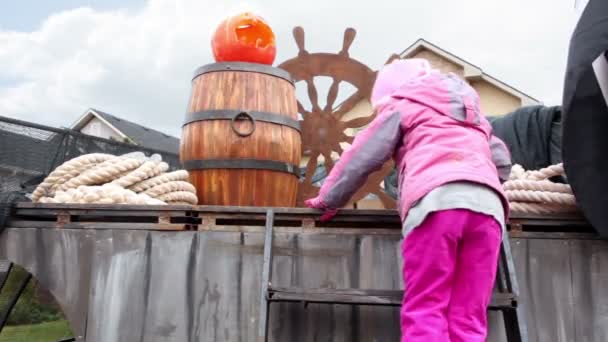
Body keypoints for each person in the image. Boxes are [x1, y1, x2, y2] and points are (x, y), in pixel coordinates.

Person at [305, 58, 511, 342]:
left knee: (427, 307)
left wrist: (328, 199)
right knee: (469, 317)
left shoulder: (402, 105)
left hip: (436, 205)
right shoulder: (471, 113)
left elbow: (362, 156)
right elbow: (501, 162)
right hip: (488, 211)